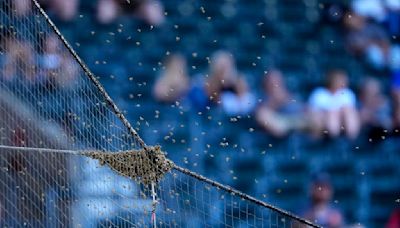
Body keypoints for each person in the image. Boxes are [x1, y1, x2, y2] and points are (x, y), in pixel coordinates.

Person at [308, 69, 360, 139]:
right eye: (340, 80)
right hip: (323, 121)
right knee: (331, 114)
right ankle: (332, 140)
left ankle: (351, 140)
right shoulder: (319, 93)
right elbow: (313, 111)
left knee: (348, 112)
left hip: (342, 121)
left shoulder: (347, 93)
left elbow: (349, 110)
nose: (343, 82)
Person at [255, 70, 306, 137]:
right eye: (271, 82)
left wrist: (285, 99)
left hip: (295, 121)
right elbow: (261, 114)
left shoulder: (291, 96)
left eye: (277, 82)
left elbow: (303, 109)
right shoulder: (261, 99)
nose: (275, 85)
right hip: (278, 125)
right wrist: (276, 102)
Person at [205, 51, 255, 115]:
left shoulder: (238, 79)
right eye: (221, 66)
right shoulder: (210, 81)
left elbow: (244, 99)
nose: (224, 69)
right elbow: (213, 99)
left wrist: (235, 82)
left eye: (226, 66)